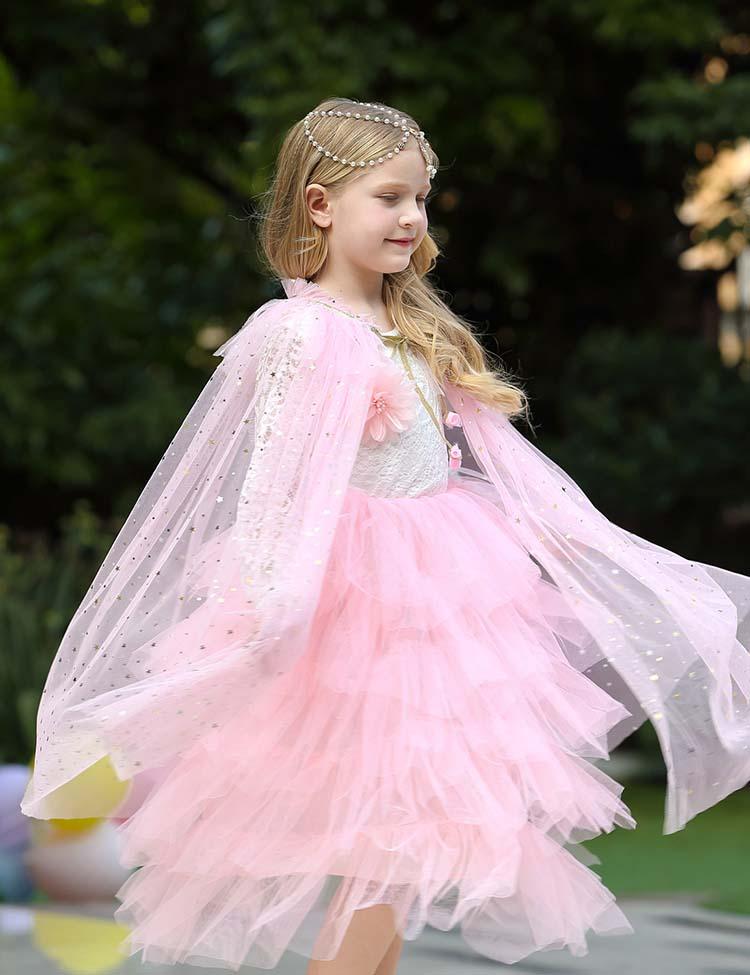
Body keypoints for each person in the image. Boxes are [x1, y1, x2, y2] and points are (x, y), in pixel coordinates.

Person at [20, 96, 750, 975]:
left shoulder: (411, 330)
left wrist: (606, 557)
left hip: (443, 603)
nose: (412, 218)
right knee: (390, 846)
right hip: (353, 615)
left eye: (421, 200)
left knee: (401, 855)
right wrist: (268, 615)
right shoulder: (303, 333)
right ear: (320, 205)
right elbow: (277, 486)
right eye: (389, 198)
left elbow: (501, 468)